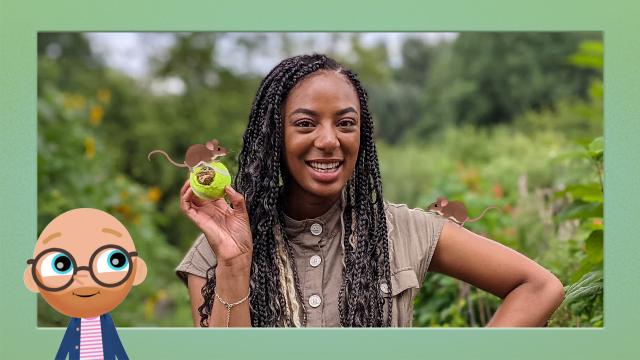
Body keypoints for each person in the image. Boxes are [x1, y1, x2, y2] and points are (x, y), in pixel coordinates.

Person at [176, 54, 564, 328]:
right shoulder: (217, 249)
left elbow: (539, 287)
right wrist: (234, 263)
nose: (329, 140)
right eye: (306, 124)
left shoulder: (404, 230)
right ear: (275, 136)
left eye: (345, 123)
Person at [24, 208, 147, 358]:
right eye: (60, 264)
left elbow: (116, 344)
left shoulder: (106, 321)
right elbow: (65, 345)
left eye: (115, 260)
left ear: (137, 270)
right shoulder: (75, 323)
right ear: (33, 278)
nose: (84, 277)